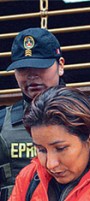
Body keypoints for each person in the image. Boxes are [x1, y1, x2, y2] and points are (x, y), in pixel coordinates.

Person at [0, 27, 65, 200]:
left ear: (60, 66)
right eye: (23, 69)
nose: (31, 75)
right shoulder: (3, 122)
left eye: (39, 66)